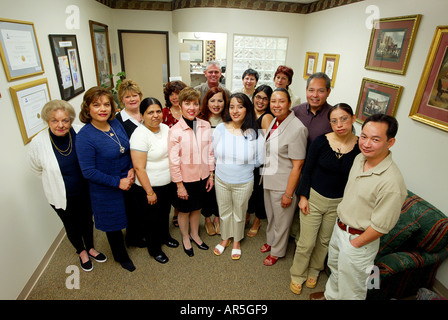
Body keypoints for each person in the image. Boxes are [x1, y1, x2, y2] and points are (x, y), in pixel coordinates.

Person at [310, 114, 407, 300]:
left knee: (352, 289)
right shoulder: (359, 159)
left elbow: (381, 227)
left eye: (375, 139)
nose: (366, 143)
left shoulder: (392, 182)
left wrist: (354, 245)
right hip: (339, 230)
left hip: (359, 240)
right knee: (335, 270)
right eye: (364, 136)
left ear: (390, 142)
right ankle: (330, 297)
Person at [289, 103, 360, 295]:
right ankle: (297, 273)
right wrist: (303, 196)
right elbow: (307, 170)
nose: (339, 124)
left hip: (338, 203)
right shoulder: (321, 142)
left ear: (353, 119)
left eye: (344, 119)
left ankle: (314, 270)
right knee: (306, 242)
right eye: (334, 120)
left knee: (324, 241)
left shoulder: (361, 147)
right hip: (314, 198)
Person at [28, 100, 107, 272]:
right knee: (71, 225)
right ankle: (81, 251)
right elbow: (37, 169)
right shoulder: (38, 143)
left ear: (70, 120)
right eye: (54, 121)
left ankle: (91, 248)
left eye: (65, 120)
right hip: (60, 195)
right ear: (47, 121)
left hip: (85, 191)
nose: (60, 125)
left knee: (87, 220)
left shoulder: (81, 132)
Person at [76, 86, 136, 272]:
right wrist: (118, 182)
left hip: (127, 179)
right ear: (87, 108)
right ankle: (121, 256)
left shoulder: (116, 124)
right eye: (96, 105)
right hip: (106, 187)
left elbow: (126, 150)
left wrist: (132, 169)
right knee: (113, 224)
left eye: (106, 104)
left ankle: (132, 241)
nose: (102, 109)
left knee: (131, 214)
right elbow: (89, 171)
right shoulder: (85, 136)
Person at [212, 93, 265, 260]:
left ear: (247, 109)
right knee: (224, 211)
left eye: (240, 106)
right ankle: (225, 238)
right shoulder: (221, 128)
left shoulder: (255, 133)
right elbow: (214, 153)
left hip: (243, 181)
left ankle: (236, 241)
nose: (235, 111)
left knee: (239, 213)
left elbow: (260, 160)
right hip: (221, 179)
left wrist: (241, 164)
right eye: (232, 106)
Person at [261, 88, 307, 266]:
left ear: (289, 103)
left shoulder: (297, 128)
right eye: (273, 101)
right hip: (269, 178)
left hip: (283, 183)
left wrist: (289, 194)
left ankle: (277, 251)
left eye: (281, 101)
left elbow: (298, 165)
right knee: (272, 216)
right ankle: (271, 241)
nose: (276, 105)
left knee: (282, 220)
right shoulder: (275, 120)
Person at [130, 97, 179, 264]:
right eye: (150, 112)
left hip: (167, 183)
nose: (155, 115)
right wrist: (149, 192)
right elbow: (139, 168)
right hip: (149, 187)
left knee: (165, 213)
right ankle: (154, 248)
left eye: (158, 111)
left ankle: (165, 236)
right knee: (151, 220)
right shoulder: (139, 135)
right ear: (142, 115)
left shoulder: (165, 128)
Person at [168, 87, 215, 257]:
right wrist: (179, 185)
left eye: (195, 103)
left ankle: (195, 234)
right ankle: (186, 237)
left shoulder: (205, 125)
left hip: (202, 177)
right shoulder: (175, 131)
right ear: (180, 106)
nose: (192, 107)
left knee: (197, 208)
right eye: (187, 103)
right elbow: (173, 161)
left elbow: (209, 152)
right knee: (184, 210)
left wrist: (211, 174)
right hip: (184, 180)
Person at [116, 79, 145, 247]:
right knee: (134, 206)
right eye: (128, 97)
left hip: (149, 166)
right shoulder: (118, 120)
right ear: (122, 99)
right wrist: (131, 168)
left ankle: (146, 231)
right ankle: (134, 237)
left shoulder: (146, 113)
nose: (132, 99)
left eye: (135, 95)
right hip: (131, 169)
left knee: (147, 202)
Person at [198, 87, 228, 236]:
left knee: (220, 193)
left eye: (220, 100)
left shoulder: (228, 120)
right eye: (212, 100)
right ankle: (208, 219)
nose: (216, 104)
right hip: (204, 163)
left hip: (223, 164)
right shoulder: (200, 120)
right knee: (207, 192)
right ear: (207, 102)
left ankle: (218, 218)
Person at [246, 85, 273, 237]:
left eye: (265, 98)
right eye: (258, 97)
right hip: (250, 161)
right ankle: (248, 214)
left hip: (262, 162)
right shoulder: (250, 113)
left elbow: (269, 145)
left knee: (260, 192)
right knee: (250, 191)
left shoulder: (266, 117)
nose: (260, 101)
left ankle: (257, 220)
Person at [163, 80, 187, 228]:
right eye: (171, 94)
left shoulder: (188, 110)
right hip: (169, 155)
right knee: (172, 187)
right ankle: (173, 212)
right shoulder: (164, 112)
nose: (174, 97)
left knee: (184, 185)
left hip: (187, 156)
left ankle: (180, 211)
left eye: (177, 93)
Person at [292, 72, 333, 147]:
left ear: (328, 92)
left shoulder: (334, 115)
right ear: (306, 90)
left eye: (321, 91)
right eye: (311, 90)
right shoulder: (295, 112)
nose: (315, 95)